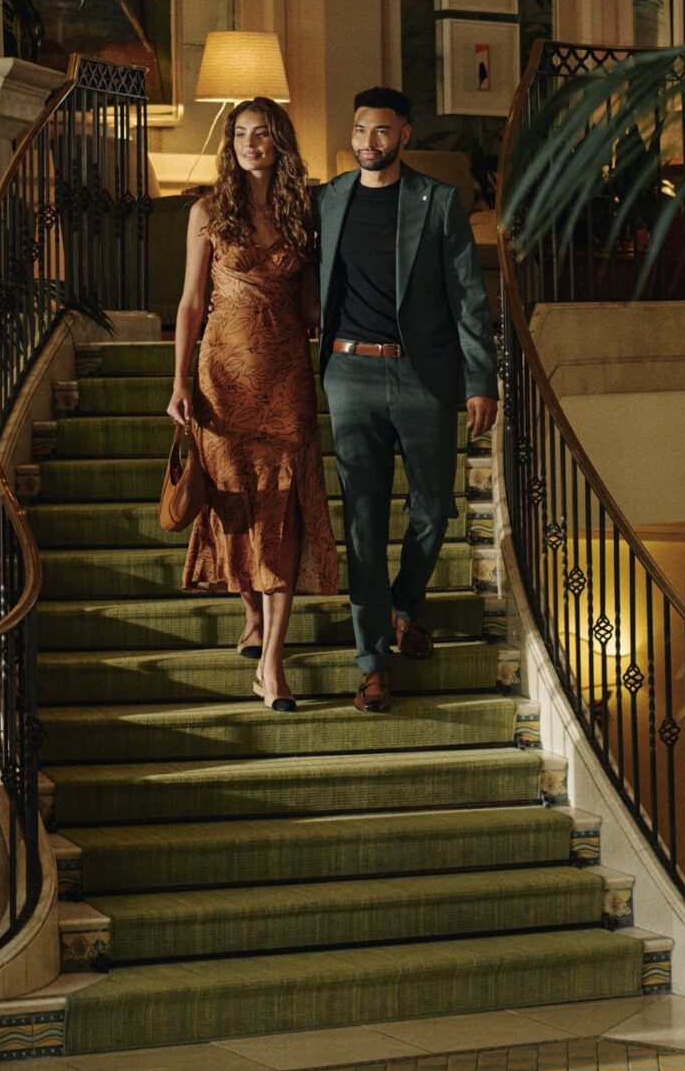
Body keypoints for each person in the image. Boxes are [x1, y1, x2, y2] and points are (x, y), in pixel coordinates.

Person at [319, 86, 498, 713]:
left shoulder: (439, 201)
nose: (369, 141)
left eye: (382, 131)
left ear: (405, 136)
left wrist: (481, 379)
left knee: (433, 511)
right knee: (362, 524)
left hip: (424, 378)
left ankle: (403, 606)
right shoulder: (329, 200)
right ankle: (371, 661)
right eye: (361, 129)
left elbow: (468, 296)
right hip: (349, 375)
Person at [166, 97, 337, 710]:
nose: (250, 143)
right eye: (240, 133)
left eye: (262, 134)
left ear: (279, 142)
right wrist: (179, 383)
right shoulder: (208, 211)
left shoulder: (302, 212)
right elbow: (189, 303)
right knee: (235, 502)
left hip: (285, 376)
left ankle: (272, 662)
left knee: (283, 506)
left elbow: (314, 304)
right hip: (222, 379)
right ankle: (252, 613)